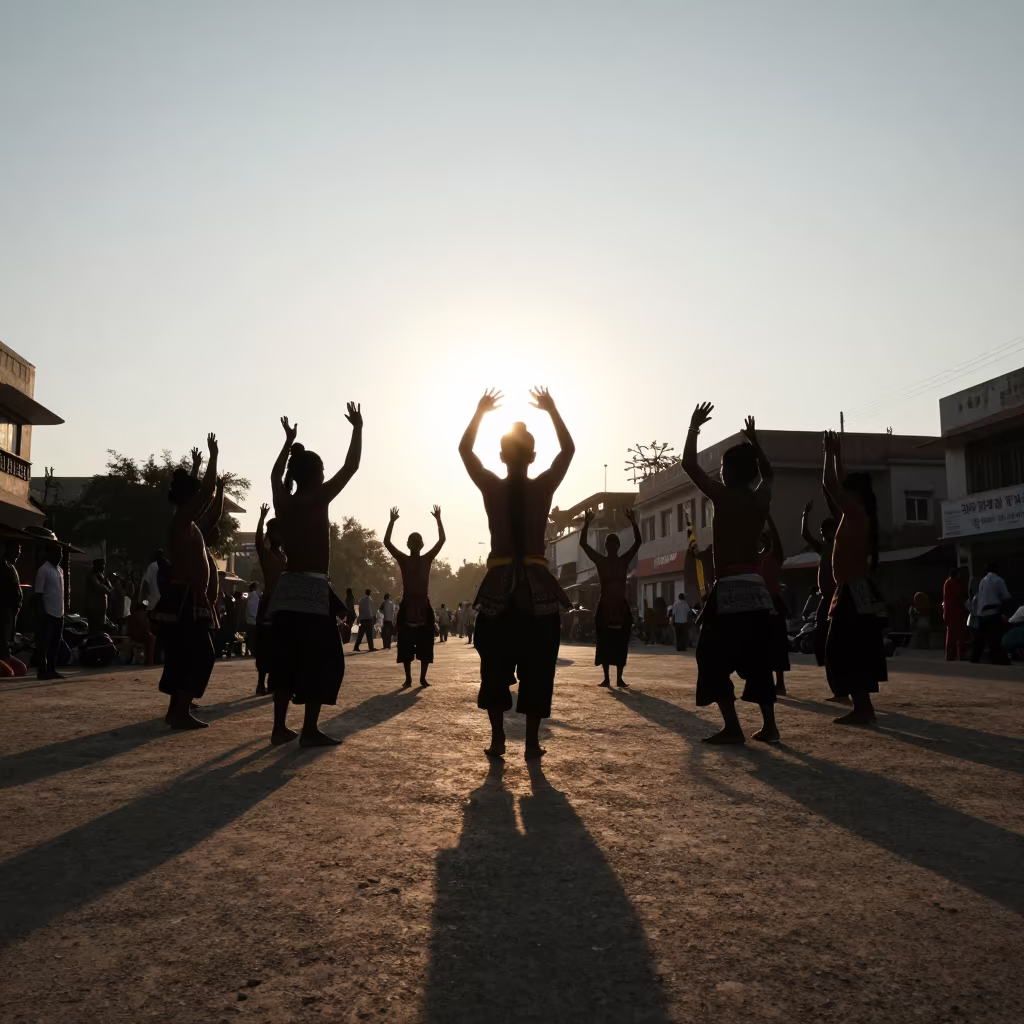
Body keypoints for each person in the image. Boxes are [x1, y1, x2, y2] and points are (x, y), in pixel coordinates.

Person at [460, 387, 574, 760]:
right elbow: (568, 452)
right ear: (533, 455)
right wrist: (553, 410)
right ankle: (528, 743)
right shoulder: (542, 487)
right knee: (538, 668)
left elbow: (465, 452)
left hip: (499, 590)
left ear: (502, 455)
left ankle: (497, 740)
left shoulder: (493, 486)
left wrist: (479, 413)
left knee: (494, 666)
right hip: (536, 590)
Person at [682, 405, 780, 744]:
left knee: (709, 657)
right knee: (759, 660)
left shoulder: (723, 497)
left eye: (723, 467)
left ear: (731, 473)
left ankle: (733, 727)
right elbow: (770, 475)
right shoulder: (761, 500)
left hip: (729, 590)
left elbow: (689, 466)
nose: (719, 472)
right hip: (756, 590)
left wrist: (693, 428)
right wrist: (756, 444)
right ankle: (770, 725)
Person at [267, 407, 362, 746]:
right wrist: (358, 429)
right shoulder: (317, 498)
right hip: (311, 588)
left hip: (288, 588)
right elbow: (351, 467)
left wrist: (288, 443)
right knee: (322, 659)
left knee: (286, 658)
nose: (324, 474)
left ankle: (279, 728)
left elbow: (275, 476)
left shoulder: (284, 501)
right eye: (321, 469)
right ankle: (308, 729)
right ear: (313, 475)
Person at [155, 434, 221, 728]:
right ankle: (179, 711)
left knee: (185, 655)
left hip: (189, 598)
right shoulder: (181, 522)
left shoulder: (190, 525)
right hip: (184, 597)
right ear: (188, 500)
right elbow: (203, 493)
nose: (201, 505)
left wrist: (206, 477)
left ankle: (176, 711)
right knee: (198, 654)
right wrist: (213, 457)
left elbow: (212, 506)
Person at [822, 430, 887, 724]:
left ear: (855, 495)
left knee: (844, 647)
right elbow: (840, 482)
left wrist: (828, 453)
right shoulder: (856, 514)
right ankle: (863, 706)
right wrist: (836, 455)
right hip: (852, 590)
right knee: (852, 647)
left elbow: (831, 485)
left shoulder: (856, 513)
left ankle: (863, 707)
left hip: (853, 590)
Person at [579, 506, 642, 687]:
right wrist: (586, 524)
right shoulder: (606, 561)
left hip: (617, 607)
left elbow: (638, 542)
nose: (612, 547)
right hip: (608, 607)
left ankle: (616, 678)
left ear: (615, 547)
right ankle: (609, 678)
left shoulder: (618, 561)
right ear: (607, 547)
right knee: (607, 642)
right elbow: (583, 544)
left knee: (617, 642)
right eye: (610, 544)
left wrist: (633, 522)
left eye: (613, 544)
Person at [384, 505, 445, 687]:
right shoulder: (404, 560)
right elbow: (387, 542)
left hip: (423, 607)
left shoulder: (426, 559)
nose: (416, 544)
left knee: (426, 646)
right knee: (405, 645)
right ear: (409, 545)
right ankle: (409, 678)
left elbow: (442, 540)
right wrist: (391, 522)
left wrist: (439, 520)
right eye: (414, 541)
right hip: (408, 605)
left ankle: (421, 677)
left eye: (418, 541)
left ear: (421, 545)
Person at [800, 498, 841, 701]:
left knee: (836, 646)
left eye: (828, 530)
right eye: (823, 531)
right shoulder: (824, 547)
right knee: (823, 645)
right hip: (826, 601)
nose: (825, 534)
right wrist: (805, 515)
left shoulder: (839, 547)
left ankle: (842, 689)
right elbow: (805, 535)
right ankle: (836, 689)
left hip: (838, 600)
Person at [253, 502, 286, 695]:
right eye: (276, 533)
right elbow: (258, 541)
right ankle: (260, 682)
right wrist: (261, 519)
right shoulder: (266, 555)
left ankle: (276, 681)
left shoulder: (284, 558)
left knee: (279, 644)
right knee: (265, 643)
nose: (279, 537)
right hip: (269, 602)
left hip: (282, 604)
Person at [758, 514, 790, 696]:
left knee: (777, 643)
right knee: (764, 645)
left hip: (774, 603)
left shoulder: (775, 555)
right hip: (761, 603)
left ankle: (780, 683)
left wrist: (769, 518)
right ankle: (769, 681)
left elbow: (777, 541)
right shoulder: (758, 557)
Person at [34, 543, 65, 680]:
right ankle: (42, 671)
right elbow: (38, 594)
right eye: (57, 553)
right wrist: (42, 614)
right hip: (48, 613)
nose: (60, 556)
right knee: (44, 645)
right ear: (49, 553)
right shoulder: (43, 570)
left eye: (61, 553)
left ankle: (52, 669)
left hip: (59, 613)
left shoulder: (60, 570)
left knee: (54, 645)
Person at [970, 563, 1011, 664]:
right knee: (995, 639)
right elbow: (1006, 597)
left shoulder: (982, 581)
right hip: (993, 613)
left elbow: (977, 598)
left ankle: (974, 659)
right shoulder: (999, 580)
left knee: (980, 640)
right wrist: (1006, 612)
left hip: (982, 614)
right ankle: (1000, 661)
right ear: (997, 570)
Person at [0, 541, 23, 666]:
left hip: (11, 609)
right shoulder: (3, 567)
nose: (17, 555)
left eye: (19, 552)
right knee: (3, 636)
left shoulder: (11, 566)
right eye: (15, 552)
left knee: (8, 636)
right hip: (4, 608)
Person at [942, 565, 970, 661]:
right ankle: (958, 654)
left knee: (951, 635)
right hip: (955, 613)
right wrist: (966, 607)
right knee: (959, 635)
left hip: (950, 613)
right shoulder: (953, 583)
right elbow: (959, 597)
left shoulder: (948, 582)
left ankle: (951, 655)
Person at [84, 558, 112, 634]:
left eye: (104, 565)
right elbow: (99, 586)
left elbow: (109, 586)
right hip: (94, 607)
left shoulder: (101, 575)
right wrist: (109, 590)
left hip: (101, 607)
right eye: (102, 565)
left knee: (101, 628)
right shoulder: (92, 576)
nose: (103, 567)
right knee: (94, 629)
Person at [246, 582, 261, 658]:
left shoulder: (252, 597)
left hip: (251, 620)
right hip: (254, 620)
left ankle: (253, 651)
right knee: (254, 637)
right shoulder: (255, 597)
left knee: (252, 638)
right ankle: (254, 651)